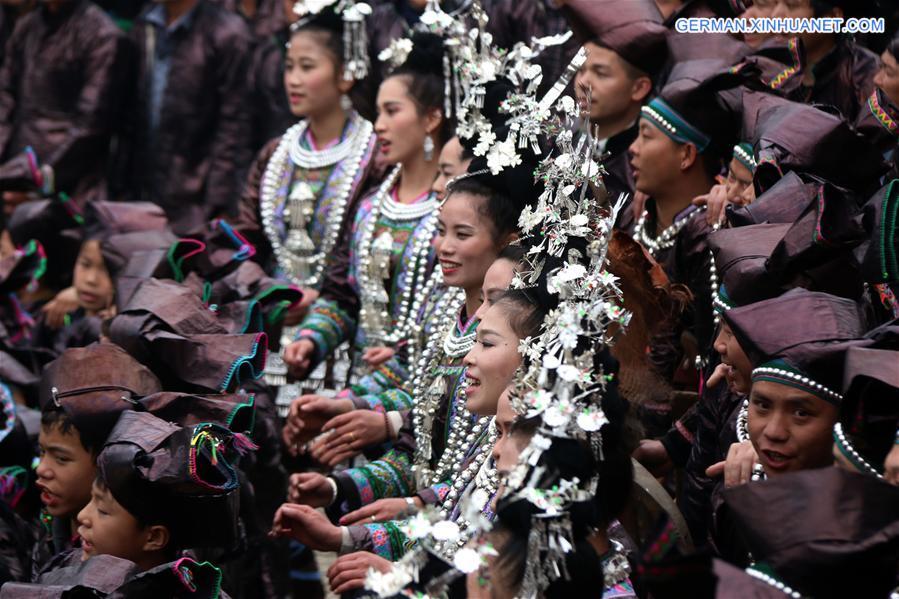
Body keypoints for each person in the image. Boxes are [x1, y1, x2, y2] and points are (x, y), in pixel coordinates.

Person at [281, 30, 451, 387]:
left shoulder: (451, 215)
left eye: (392, 111)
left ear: (432, 119)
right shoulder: (370, 205)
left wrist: (404, 353)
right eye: (377, 112)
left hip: (411, 390)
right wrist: (312, 338)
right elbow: (344, 296)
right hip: (351, 385)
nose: (379, 126)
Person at [232, 0, 380, 397]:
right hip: (273, 320)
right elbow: (245, 238)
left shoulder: (374, 155)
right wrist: (267, 290)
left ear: (346, 75)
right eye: (289, 66)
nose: (293, 79)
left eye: (307, 67)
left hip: (346, 325)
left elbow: (363, 244)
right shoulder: (275, 153)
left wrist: (324, 296)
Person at [120, 0, 254, 234]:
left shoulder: (227, 34)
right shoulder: (145, 25)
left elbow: (235, 130)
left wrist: (218, 205)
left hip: (196, 201)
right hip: (141, 192)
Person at [31, 344, 163, 577]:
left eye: (61, 458)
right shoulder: (50, 525)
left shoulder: (130, 551)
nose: (42, 469)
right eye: (41, 452)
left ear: (109, 462)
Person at [0, 0, 129, 214]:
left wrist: (40, 180)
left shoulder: (102, 35)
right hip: (15, 172)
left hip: (69, 184)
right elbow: (5, 98)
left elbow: (92, 124)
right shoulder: (28, 26)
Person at [564, 0, 669, 229]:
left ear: (639, 88)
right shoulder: (559, 140)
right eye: (580, 70)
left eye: (600, 73)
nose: (583, 83)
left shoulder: (641, 169)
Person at [770, 0, 879, 121]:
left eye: (791, 6)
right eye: (775, 3)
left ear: (832, 18)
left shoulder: (864, 74)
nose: (775, 15)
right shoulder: (765, 61)